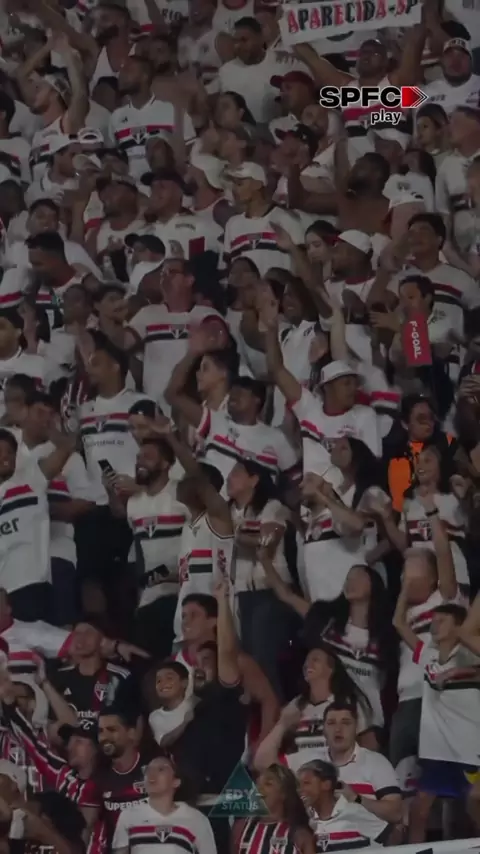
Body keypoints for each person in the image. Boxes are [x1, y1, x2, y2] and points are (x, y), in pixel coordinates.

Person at [254, 642, 372, 773]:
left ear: (331, 668)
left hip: (336, 772)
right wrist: (283, 724)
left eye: (315, 660)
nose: (308, 664)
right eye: (306, 661)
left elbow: (367, 744)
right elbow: (268, 755)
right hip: (301, 772)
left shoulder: (349, 702)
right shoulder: (296, 704)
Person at [113, 753, 216, 854]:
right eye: (148, 770)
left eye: (161, 769)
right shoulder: (128, 815)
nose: (151, 774)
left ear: (176, 782)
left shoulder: (196, 818)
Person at [298, 759, 390, 850]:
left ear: (326, 785)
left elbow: (391, 837)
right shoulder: (308, 819)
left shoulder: (353, 811)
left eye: (306, 783)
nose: (300, 789)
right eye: (299, 785)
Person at [232, 764, 316, 854]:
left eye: (268, 784)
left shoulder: (300, 836)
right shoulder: (240, 828)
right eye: (257, 784)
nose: (259, 789)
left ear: (283, 793)